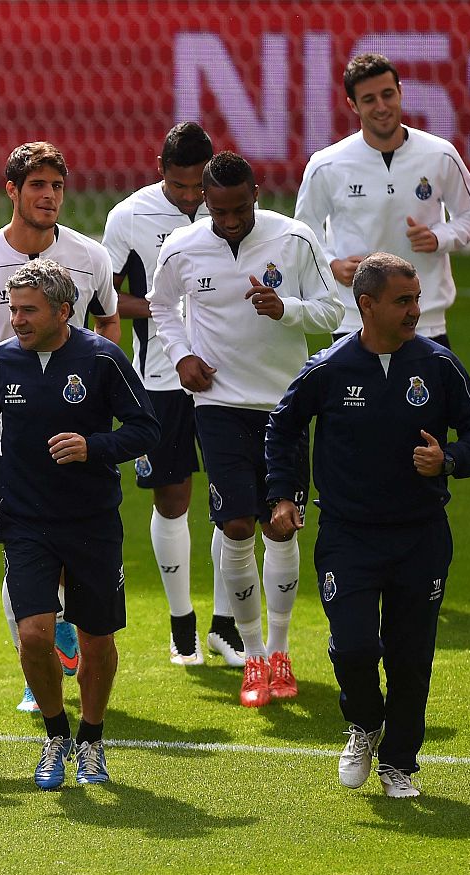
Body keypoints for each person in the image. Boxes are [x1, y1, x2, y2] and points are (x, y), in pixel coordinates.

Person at [265, 253, 470, 797]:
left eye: (416, 298)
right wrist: (282, 495)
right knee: (353, 648)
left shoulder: (439, 365)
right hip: (349, 535)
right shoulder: (329, 369)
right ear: (366, 304)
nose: (416, 310)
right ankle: (365, 723)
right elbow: (283, 427)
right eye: (403, 301)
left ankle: (399, 763)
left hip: (421, 535)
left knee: (411, 658)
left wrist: (450, 461)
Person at [0, 141, 121, 712]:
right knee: (20, 545)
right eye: (37, 186)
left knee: (73, 543)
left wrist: (99, 382)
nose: (49, 197)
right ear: (11, 191)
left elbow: (109, 318)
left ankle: (64, 642)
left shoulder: (91, 258)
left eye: (57, 187)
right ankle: (42, 658)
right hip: (6, 438)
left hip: (76, 434)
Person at [149, 151, 343, 707]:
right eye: (219, 210)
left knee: (282, 524)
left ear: (256, 193)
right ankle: (253, 658)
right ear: (204, 200)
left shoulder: (295, 240)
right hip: (219, 406)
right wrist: (181, 354)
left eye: (240, 209)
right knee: (236, 524)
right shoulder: (182, 247)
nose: (230, 220)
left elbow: (332, 312)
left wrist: (285, 309)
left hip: (285, 405)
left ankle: (281, 653)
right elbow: (163, 308)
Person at [0, 258, 159, 789]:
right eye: (13, 309)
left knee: (97, 640)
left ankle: (92, 740)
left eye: (29, 310)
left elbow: (146, 428)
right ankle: (56, 733)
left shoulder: (102, 359)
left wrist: (93, 446)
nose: (18, 319)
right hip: (24, 521)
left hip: (92, 521)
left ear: (63, 311)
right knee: (33, 634)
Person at [102, 122, 238, 666]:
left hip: (231, 376)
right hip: (159, 378)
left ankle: (225, 626)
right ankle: (182, 624)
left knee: (234, 501)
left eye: (196, 188)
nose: (189, 197)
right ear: (161, 169)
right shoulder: (128, 217)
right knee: (173, 497)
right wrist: (169, 306)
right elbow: (103, 294)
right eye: (179, 186)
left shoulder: (228, 208)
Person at [295, 53, 470, 346]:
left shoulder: (440, 154)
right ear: (353, 105)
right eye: (369, 99)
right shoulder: (326, 165)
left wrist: (440, 237)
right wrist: (332, 264)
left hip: (425, 319)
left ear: (400, 91)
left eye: (388, 94)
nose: (381, 106)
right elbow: (303, 234)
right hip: (355, 319)